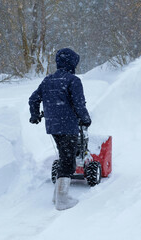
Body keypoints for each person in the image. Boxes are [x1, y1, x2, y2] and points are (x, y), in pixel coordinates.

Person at [28, 48, 91, 210]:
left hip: (53, 126)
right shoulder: (73, 80)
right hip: (68, 125)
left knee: (64, 157)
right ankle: (62, 200)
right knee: (68, 161)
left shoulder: (47, 80)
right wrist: (85, 119)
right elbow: (79, 104)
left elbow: (33, 99)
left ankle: (57, 196)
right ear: (72, 63)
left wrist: (35, 115)